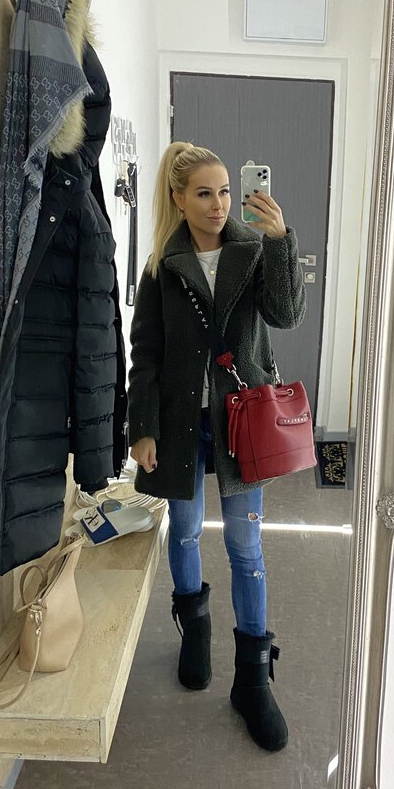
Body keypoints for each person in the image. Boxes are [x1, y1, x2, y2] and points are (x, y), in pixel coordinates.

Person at [127, 142, 306, 752]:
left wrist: (280, 242)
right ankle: (195, 634)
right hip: (179, 423)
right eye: (204, 193)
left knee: (245, 547)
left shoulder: (253, 249)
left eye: (226, 191)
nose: (219, 204)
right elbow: (146, 353)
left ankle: (253, 681)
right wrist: (142, 427)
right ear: (178, 198)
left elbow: (285, 314)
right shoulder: (161, 265)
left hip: (241, 422)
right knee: (182, 532)